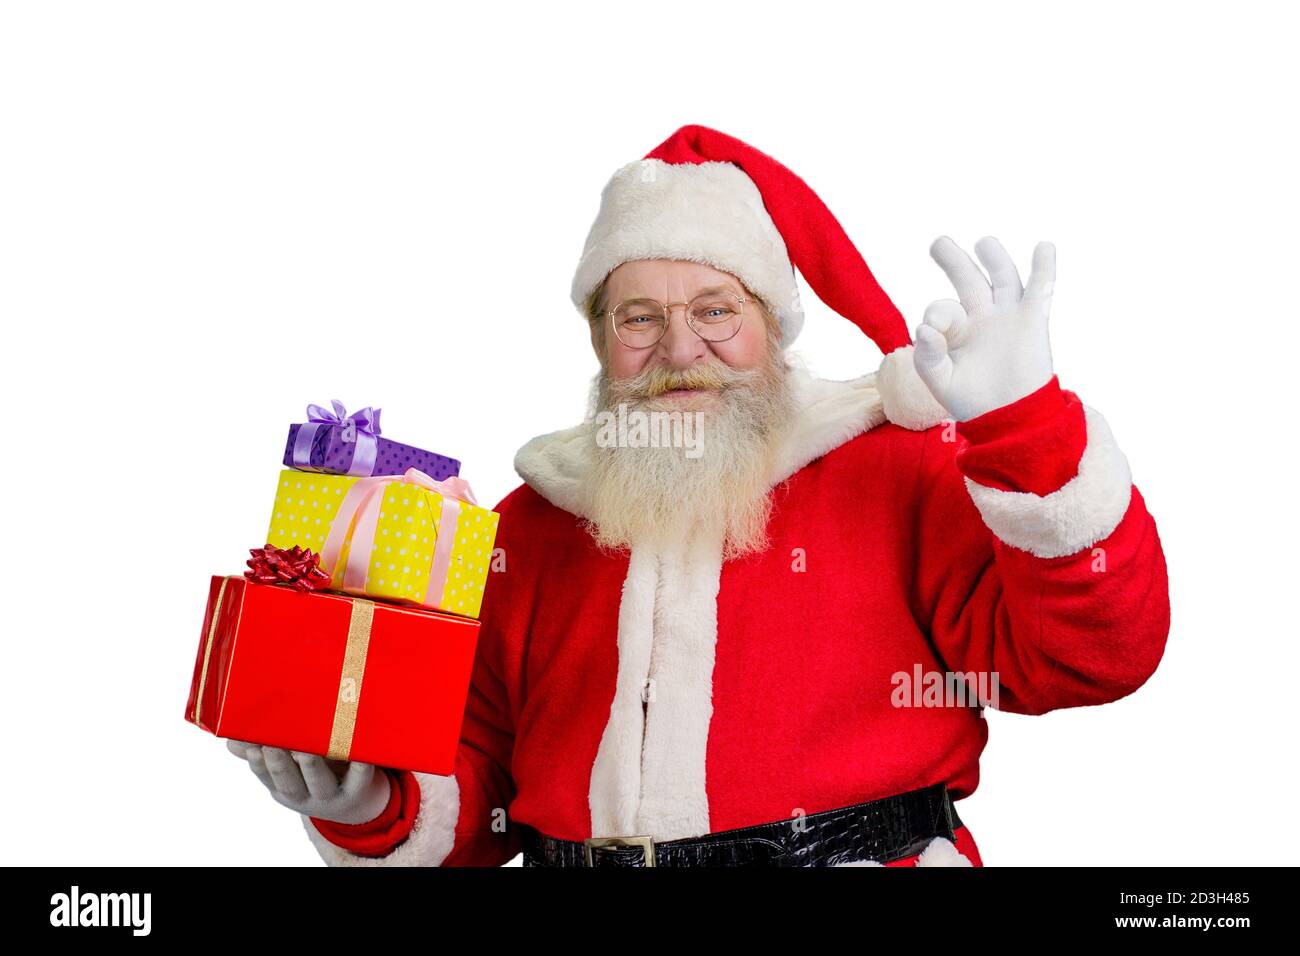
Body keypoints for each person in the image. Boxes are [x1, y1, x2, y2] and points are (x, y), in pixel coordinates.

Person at [229, 125, 1170, 867]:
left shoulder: (899, 470)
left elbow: (1088, 662)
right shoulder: (530, 526)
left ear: (773, 324)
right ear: (600, 341)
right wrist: (371, 804)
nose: (680, 350)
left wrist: (1028, 429)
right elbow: (481, 786)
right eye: (640, 317)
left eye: (716, 310)